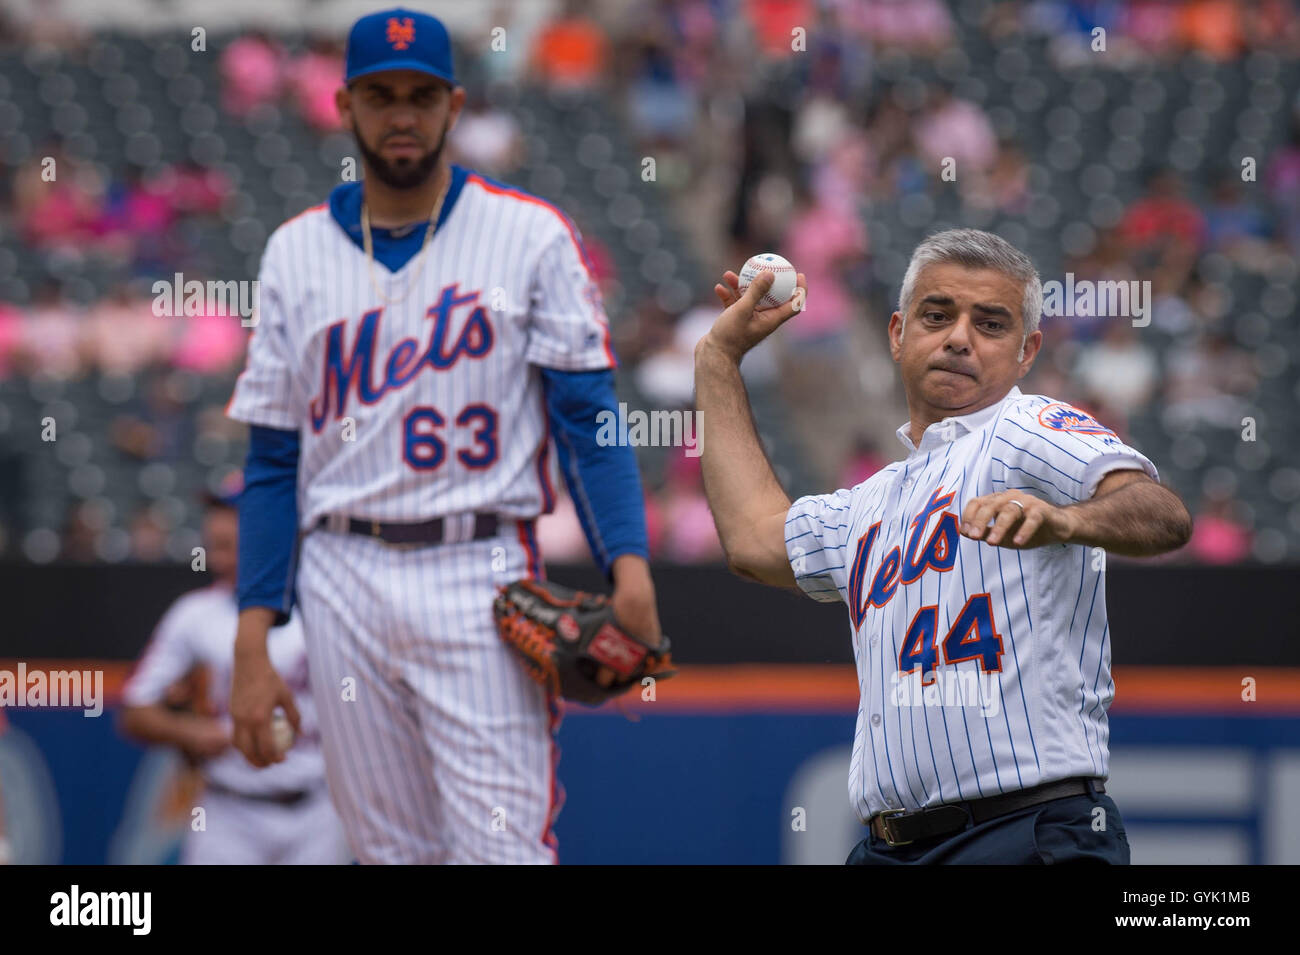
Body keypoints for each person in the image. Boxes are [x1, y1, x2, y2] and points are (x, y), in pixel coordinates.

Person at [226, 8, 660, 864]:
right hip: (339, 572)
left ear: (454, 105)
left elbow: (590, 419)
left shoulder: (529, 236)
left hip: (480, 568)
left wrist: (631, 565)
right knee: (390, 855)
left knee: (501, 851)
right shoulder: (293, 253)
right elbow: (273, 461)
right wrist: (252, 635)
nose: (402, 115)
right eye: (381, 96)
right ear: (345, 104)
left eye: (421, 96)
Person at [695, 229, 1192, 864]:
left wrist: (1066, 521)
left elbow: (1163, 512)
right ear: (898, 333)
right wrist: (716, 359)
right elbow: (752, 539)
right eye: (938, 315)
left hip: (1024, 830)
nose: (960, 337)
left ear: (1026, 351)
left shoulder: (1025, 428)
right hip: (888, 848)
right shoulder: (871, 501)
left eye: (990, 323)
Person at [120, 480, 349, 864]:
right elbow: (134, 711)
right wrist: (190, 731)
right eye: (215, 546)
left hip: (318, 807)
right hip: (229, 809)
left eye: (230, 545)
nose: (220, 559)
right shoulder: (195, 614)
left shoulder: (328, 607)